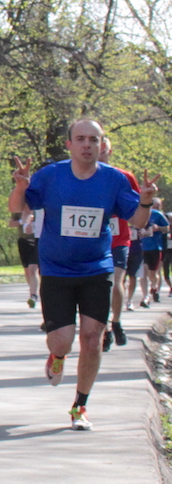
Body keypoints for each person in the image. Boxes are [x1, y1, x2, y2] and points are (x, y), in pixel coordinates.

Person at [8, 119, 157, 431]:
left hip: (96, 268)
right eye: (81, 139)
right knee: (61, 341)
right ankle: (58, 356)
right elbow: (16, 209)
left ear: (102, 145)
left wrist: (144, 200)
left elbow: (138, 220)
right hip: (56, 270)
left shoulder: (114, 179)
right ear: (70, 145)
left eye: (93, 139)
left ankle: (80, 406)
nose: (87, 145)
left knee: (92, 338)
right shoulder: (51, 175)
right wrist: (20, 187)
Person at [98, 136, 139, 350]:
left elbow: (137, 208)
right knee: (100, 286)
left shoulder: (125, 176)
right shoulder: (81, 176)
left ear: (110, 151)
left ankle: (116, 321)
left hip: (118, 238)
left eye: (105, 148)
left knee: (115, 281)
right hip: (93, 240)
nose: (101, 152)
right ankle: (104, 329)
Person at [139, 198, 169, 303]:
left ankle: (154, 286)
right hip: (141, 247)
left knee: (153, 273)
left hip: (155, 247)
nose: (156, 208)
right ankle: (145, 297)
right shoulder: (140, 214)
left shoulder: (158, 215)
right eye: (154, 205)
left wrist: (159, 228)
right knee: (143, 272)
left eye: (158, 206)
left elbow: (167, 228)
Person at [10, 208, 40, 308]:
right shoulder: (19, 208)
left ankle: (33, 295)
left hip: (37, 240)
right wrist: (22, 221)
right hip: (23, 241)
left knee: (33, 268)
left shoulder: (39, 209)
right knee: (27, 270)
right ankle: (33, 291)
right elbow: (11, 223)